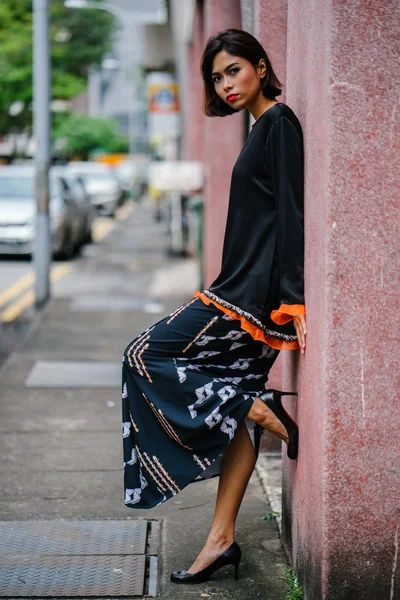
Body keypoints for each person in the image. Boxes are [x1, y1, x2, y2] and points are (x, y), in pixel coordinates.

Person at [121, 28, 306, 584]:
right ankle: (221, 539)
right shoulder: (258, 128)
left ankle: (255, 404)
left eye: (234, 70)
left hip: (250, 299)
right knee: (230, 417)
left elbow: (293, 213)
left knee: (144, 355)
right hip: (242, 289)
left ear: (260, 64)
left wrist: (292, 299)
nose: (226, 84)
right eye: (217, 76)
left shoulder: (278, 123)